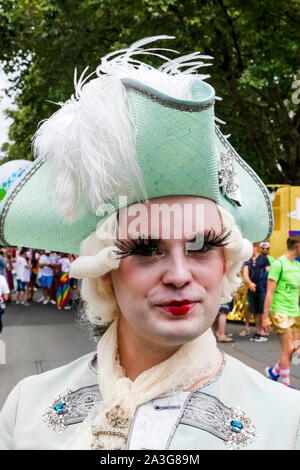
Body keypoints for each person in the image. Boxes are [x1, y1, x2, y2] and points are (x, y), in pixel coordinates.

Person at [0, 37, 299, 451]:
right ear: (104, 273)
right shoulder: (26, 409)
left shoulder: (287, 422)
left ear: (227, 263)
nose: (178, 276)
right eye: (145, 249)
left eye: (201, 246)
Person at [263, 235, 300, 388]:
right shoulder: (279, 264)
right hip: (279, 311)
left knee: (295, 347)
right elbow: (269, 292)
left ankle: (274, 372)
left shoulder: (298, 266)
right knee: (287, 348)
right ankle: (285, 385)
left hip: (294, 312)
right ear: (297, 245)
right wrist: (265, 316)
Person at [242, 243, 270, 342]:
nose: (252, 249)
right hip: (252, 289)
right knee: (255, 312)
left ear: (256, 247)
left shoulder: (263, 259)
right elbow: (245, 273)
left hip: (262, 289)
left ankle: (263, 331)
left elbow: (268, 272)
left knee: (262, 311)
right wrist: (250, 283)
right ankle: (258, 331)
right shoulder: (247, 260)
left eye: (253, 247)